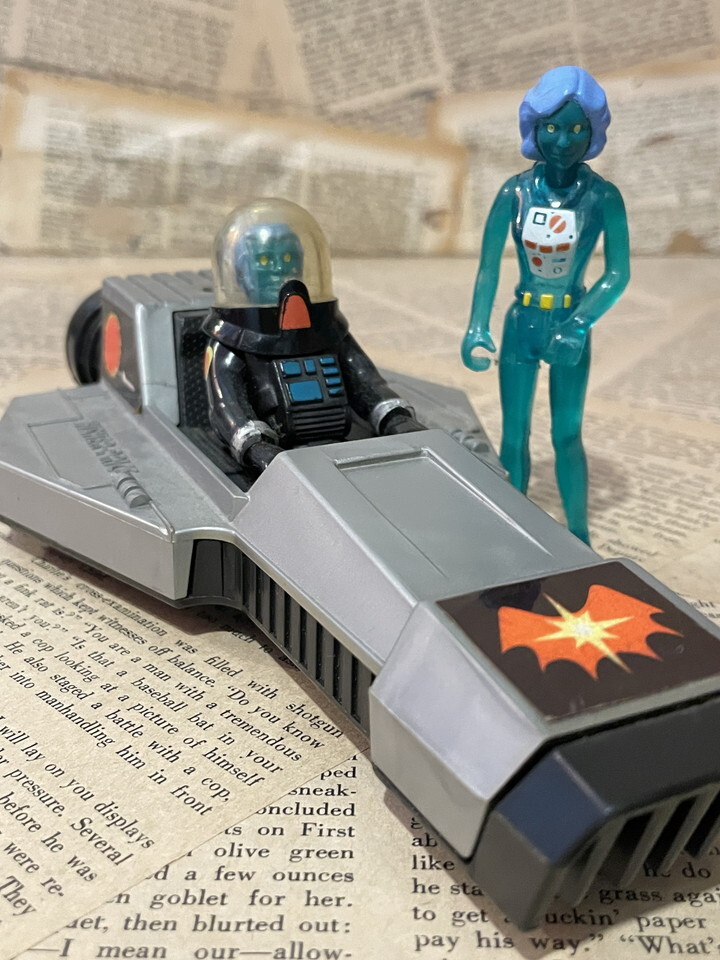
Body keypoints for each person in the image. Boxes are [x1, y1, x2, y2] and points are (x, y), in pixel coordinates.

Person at [460, 66, 630, 543]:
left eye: (577, 128)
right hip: (522, 322)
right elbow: (488, 268)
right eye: (552, 126)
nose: (563, 140)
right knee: (514, 434)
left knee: (566, 434)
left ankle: (578, 531)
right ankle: (510, 529)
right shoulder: (514, 192)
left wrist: (579, 324)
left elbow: (617, 274)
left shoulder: (602, 197)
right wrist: (477, 325)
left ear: (593, 132)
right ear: (534, 126)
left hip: (571, 322)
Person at [204, 198, 424, 473]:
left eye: (287, 258)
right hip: (277, 454)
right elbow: (226, 403)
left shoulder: (329, 333)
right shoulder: (232, 342)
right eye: (264, 260)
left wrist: (395, 417)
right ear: (241, 272)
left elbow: (366, 380)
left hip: (340, 446)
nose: (278, 270)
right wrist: (255, 446)